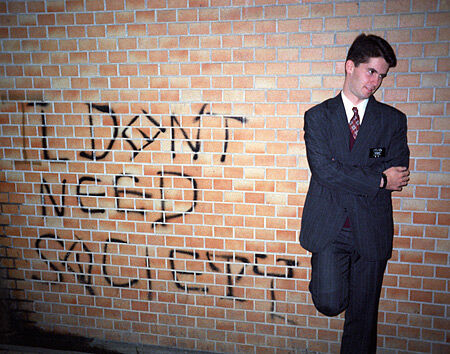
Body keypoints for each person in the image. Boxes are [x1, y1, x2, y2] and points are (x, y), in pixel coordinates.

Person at [300, 34, 410, 353]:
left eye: (381, 75)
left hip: (371, 229)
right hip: (330, 229)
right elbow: (324, 171)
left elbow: (398, 172)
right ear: (350, 67)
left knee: (363, 321)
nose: (375, 81)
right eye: (371, 71)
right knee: (330, 301)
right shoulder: (317, 117)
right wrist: (376, 179)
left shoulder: (392, 121)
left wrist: (347, 171)